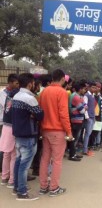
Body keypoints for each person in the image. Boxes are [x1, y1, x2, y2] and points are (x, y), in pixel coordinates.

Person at [39, 69, 73, 197]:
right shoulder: (62, 92)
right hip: (58, 131)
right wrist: (69, 132)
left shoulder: (44, 92)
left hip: (45, 130)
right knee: (57, 160)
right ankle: (54, 188)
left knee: (45, 159)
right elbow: (64, 114)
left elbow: (40, 112)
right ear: (63, 79)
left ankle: (43, 187)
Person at [12, 73, 44, 200]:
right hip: (28, 133)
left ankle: (17, 186)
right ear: (30, 83)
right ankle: (22, 192)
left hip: (18, 133)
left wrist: (31, 114)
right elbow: (40, 115)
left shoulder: (16, 96)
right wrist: (34, 114)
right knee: (24, 165)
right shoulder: (29, 98)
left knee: (19, 161)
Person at [0, 88, 19, 189]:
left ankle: (4, 177)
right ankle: (12, 180)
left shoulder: (8, 99)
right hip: (12, 128)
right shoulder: (16, 103)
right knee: (14, 155)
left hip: (5, 128)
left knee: (6, 154)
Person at [69, 82, 87, 161]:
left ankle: (74, 153)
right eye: (83, 89)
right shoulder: (76, 97)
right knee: (74, 138)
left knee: (76, 137)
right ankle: (72, 154)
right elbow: (83, 110)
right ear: (80, 89)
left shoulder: (79, 97)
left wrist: (84, 107)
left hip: (79, 119)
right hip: (76, 120)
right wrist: (84, 107)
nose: (84, 90)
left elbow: (85, 105)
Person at [82, 82, 97, 156]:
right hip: (89, 117)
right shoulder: (86, 96)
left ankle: (86, 149)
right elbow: (85, 106)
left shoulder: (93, 95)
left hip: (92, 116)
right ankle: (85, 150)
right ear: (89, 87)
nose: (94, 89)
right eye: (93, 87)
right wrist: (87, 117)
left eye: (95, 87)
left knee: (89, 133)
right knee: (87, 134)